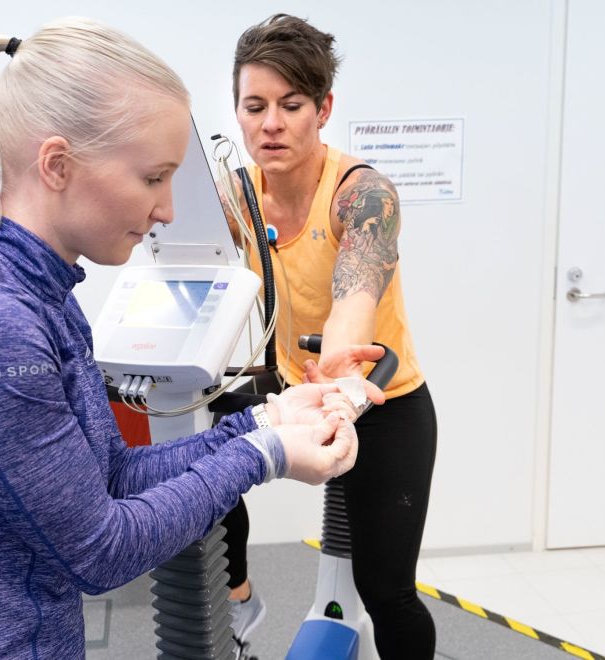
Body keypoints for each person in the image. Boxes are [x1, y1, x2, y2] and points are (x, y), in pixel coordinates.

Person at [0, 17, 380, 658]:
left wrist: (261, 422)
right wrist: (265, 453)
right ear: (57, 165)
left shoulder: (45, 297)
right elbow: (100, 550)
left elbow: (112, 474)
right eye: (153, 178)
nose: (167, 210)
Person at [217, 14, 438, 659]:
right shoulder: (235, 196)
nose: (271, 124)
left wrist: (339, 373)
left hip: (381, 398)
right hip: (293, 388)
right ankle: (240, 593)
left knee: (385, 589)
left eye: (291, 106)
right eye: (254, 107)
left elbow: (355, 297)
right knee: (192, 448)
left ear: (324, 109)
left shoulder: (362, 195)